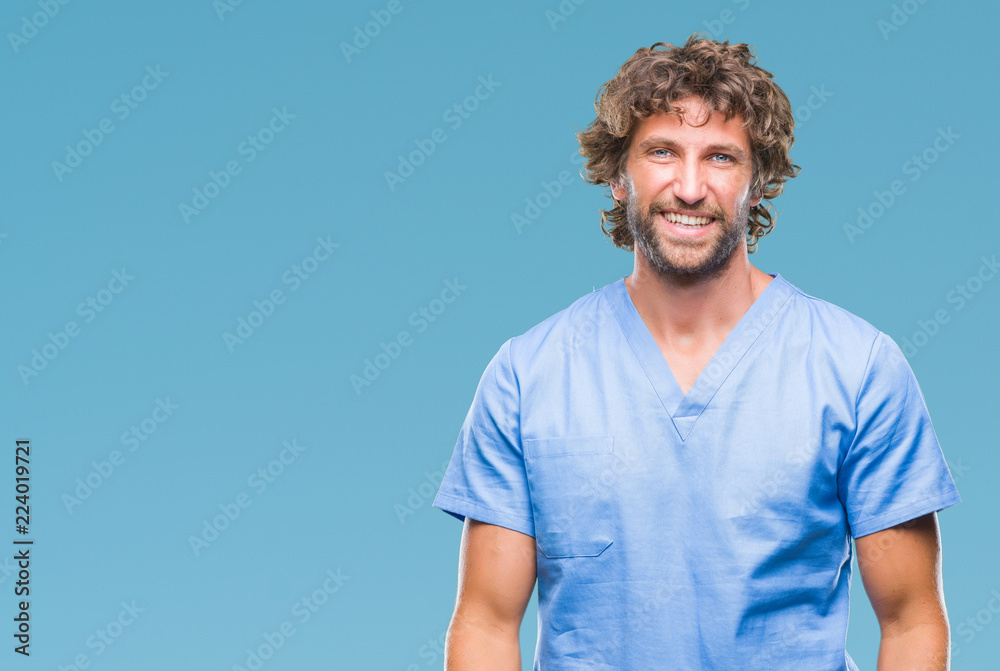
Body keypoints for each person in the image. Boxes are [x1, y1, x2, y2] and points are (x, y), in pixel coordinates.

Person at [432, 32, 961, 670]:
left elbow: (910, 623)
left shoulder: (858, 370)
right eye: (661, 151)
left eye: (720, 158)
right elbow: (487, 624)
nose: (689, 187)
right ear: (619, 177)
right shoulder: (527, 376)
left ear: (759, 183)